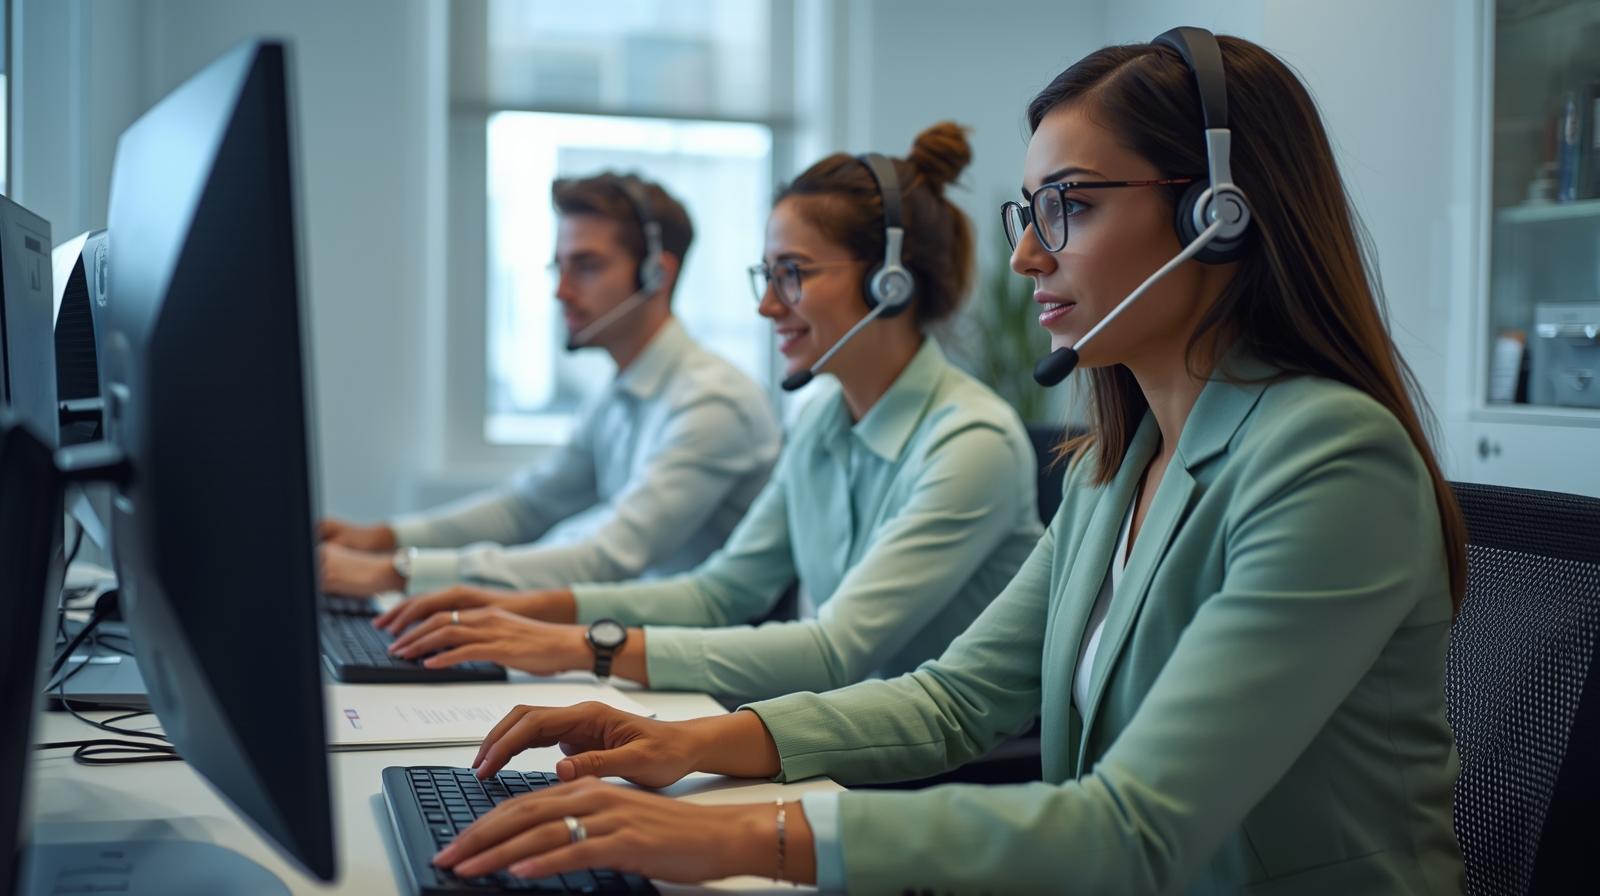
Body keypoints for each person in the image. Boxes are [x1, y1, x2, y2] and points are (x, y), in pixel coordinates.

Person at [417, 30, 1468, 894]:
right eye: (1030, 211)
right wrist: (685, 743)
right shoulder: (1117, 465)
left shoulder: (1331, 460)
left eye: (1072, 204)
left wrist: (739, 838)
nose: (1025, 255)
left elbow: (1136, 825)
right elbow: (952, 701)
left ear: (1216, 213)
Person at [373, 122, 1043, 703]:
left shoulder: (968, 444)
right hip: (840, 736)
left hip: (936, 772)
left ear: (887, 282)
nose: (767, 307)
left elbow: (837, 651)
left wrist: (583, 646)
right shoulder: (822, 423)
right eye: (767, 275)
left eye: (793, 273)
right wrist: (519, 611)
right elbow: (719, 592)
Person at [318, 173, 781, 597]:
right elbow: (526, 508)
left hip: (711, 674)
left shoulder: (713, 402)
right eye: (558, 268)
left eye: (586, 266)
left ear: (657, 274)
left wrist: (395, 572)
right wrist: (379, 540)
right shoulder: (620, 395)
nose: (561, 290)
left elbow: (609, 554)